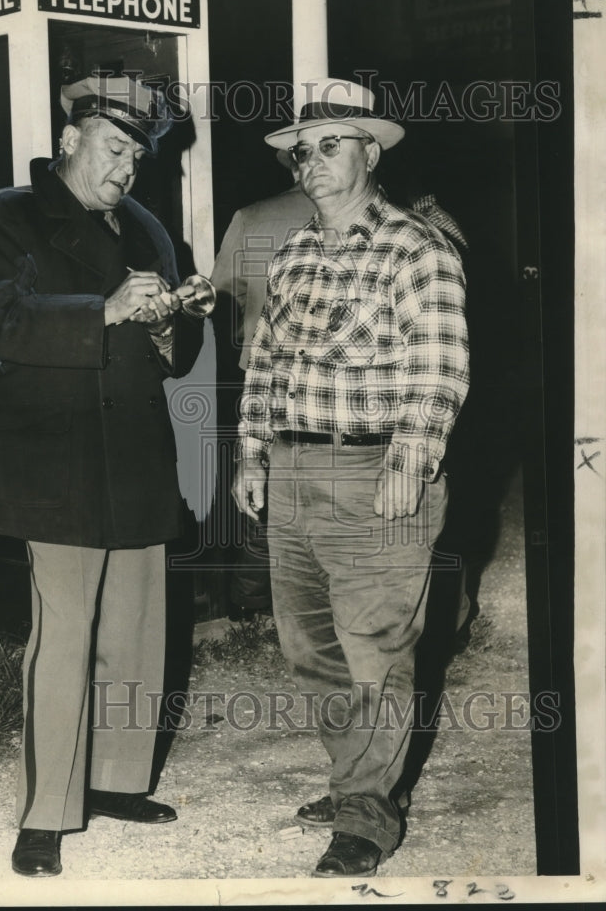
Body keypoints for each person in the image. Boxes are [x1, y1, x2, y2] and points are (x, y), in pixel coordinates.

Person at [0, 75, 210, 877]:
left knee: (137, 629)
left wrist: (178, 320)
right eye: (114, 146)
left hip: (134, 450)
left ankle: (116, 783)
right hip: (49, 455)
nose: (128, 167)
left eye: (138, 153)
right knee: (62, 636)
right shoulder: (3, 214)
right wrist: (102, 311)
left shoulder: (147, 229)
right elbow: (1, 322)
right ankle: (45, 813)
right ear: (70, 139)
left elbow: (178, 360)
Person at [233, 77, 470, 877]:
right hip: (296, 469)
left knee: (376, 649)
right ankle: (354, 782)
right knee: (313, 650)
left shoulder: (416, 246)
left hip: (376, 471)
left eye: (332, 144)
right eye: (303, 150)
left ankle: (368, 817)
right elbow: (265, 360)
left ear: (370, 151)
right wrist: (250, 451)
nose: (312, 162)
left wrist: (411, 455)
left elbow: (439, 367)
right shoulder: (294, 251)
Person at [211, 153, 315, 612]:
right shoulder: (372, 215)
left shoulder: (251, 217)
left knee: (262, 497)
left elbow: (220, 296)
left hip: (261, 377)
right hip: (346, 387)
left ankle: (250, 608)